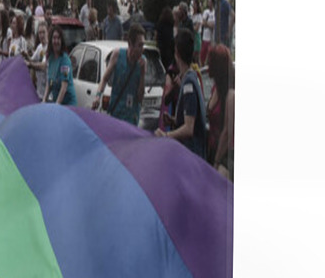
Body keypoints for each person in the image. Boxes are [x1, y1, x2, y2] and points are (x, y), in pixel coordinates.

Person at [155, 29, 207, 158]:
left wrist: (166, 135)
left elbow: (189, 128)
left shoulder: (188, 83)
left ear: (176, 52)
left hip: (191, 153)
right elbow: (190, 117)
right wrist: (173, 120)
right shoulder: (191, 77)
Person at [93, 23, 146, 126]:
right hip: (116, 115)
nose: (142, 49)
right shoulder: (118, 54)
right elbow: (104, 79)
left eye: (143, 45)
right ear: (130, 44)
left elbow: (140, 98)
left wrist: (143, 74)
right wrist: (98, 96)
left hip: (131, 119)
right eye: (139, 45)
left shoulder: (143, 62)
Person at [206, 44, 235, 177]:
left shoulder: (230, 95)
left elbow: (227, 132)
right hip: (211, 150)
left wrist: (217, 161)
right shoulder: (214, 89)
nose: (207, 64)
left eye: (210, 62)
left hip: (222, 156)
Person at [43, 25, 77, 105]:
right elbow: (49, 82)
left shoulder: (65, 60)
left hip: (68, 105)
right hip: (57, 103)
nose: (56, 41)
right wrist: (44, 100)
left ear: (62, 41)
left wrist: (56, 106)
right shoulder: (50, 58)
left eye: (58, 38)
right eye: (54, 38)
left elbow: (64, 87)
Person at [25, 21, 49, 100]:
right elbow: (32, 60)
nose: (41, 35)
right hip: (39, 92)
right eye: (39, 33)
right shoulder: (39, 47)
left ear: (47, 32)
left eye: (43, 32)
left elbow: (43, 66)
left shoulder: (49, 48)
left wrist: (30, 65)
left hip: (48, 94)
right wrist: (24, 55)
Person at [201, 0, 215, 65]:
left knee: (210, 54)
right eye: (208, 2)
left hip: (211, 37)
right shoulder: (206, 12)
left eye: (210, 2)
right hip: (205, 37)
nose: (208, 3)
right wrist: (208, 24)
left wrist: (207, 24)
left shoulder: (214, 12)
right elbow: (203, 23)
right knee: (203, 53)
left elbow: (213, 25)